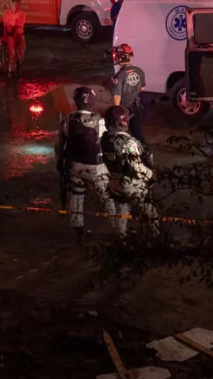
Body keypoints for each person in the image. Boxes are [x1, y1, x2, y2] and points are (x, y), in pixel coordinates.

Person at [54, 86, 113, 237]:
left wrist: (59, 162)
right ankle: (118, 226)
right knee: (108, 196)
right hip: (96, 166)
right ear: (92, 102)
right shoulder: (99, 121)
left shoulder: (67, 121)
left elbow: (59, 145)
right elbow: (106, 142)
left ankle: (78, 227)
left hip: (75, 166)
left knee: (76, 194)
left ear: (75, 102)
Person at [102, 105, 158, 237]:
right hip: (130, 183)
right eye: (125, 120)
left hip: (114, 183)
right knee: (149, 210)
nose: (127, 121)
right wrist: (151, 175)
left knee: (122, 208)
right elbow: (137, 167)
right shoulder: (128, 143)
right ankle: (156, 236)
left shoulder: (104, 140)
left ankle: (121, 238)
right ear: (121, 122)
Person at [111, 43, 147, 146]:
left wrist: (116, 114)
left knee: (121, 136)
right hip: (137, 108)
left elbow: (117, 96)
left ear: (119, 57)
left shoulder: (119, 76)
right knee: (137, 133)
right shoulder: (139, 71)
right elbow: (142, 87)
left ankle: (145, 155)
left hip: (124, 111)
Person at [3, 0, 26, 77]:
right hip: (10, 35)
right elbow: (5, 26)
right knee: (11, 53)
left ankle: (18, 64)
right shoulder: (6, 14)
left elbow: (19, 25)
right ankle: (11, 70)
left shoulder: (22, 14)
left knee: (20, 52)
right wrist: (5, 36)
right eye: (15, 3)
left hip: (18, 34)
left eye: (18, 4)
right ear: (11, 4)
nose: (17, 5)